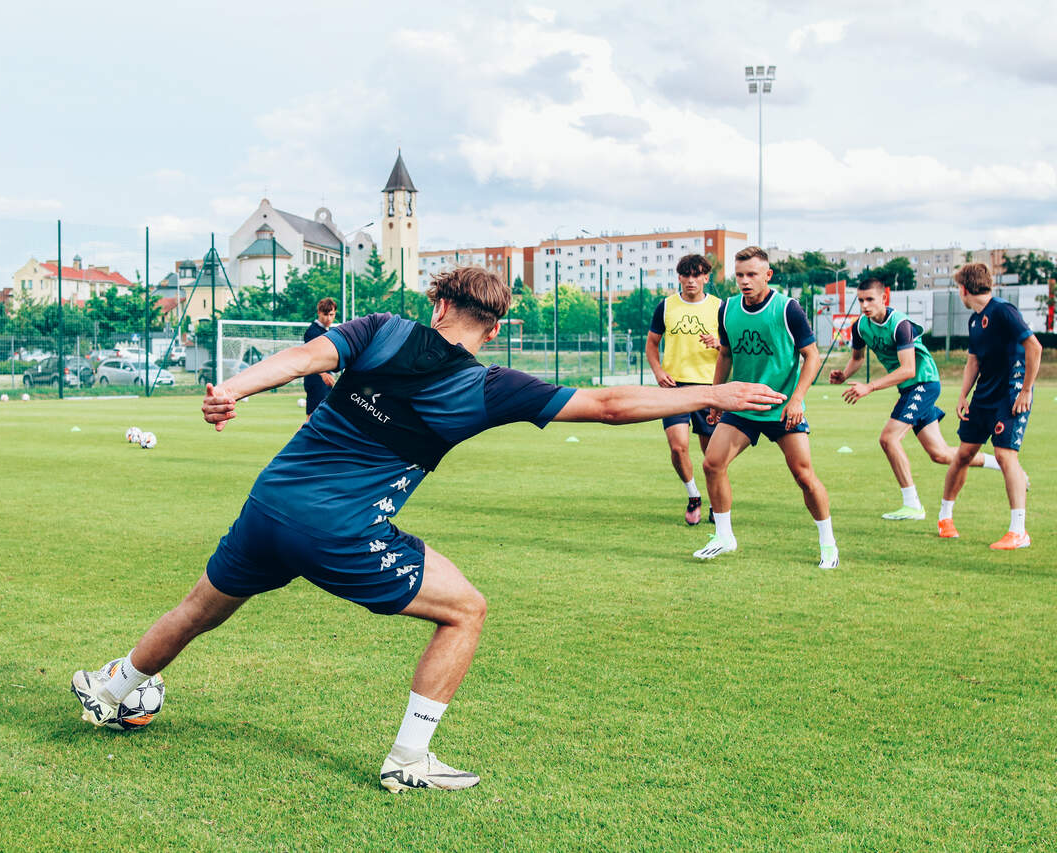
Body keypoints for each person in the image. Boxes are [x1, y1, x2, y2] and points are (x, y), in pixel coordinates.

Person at [69, 267, 783, 792]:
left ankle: (114, 688)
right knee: (466, 609)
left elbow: (303, 359)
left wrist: (231, 388)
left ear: (437, 304)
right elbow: (607, 405)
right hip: (342, 532)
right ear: (495, 328)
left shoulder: (380, 330)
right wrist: (715, 392)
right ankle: (410, 758)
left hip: (270, 506)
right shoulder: (491, 386)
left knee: (199, 607)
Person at [692, 246, 838, 569]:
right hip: (742, 405)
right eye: (739, 275)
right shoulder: (727, 309)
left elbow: (812, 356)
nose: (744, 281)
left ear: (768, 275)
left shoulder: (788, 309)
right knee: (712, 464)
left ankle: (828, 543)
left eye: (752, 275)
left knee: (803, 475)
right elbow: (725, 354)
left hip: (781, 407)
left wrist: (797, 399)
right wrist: (716, 396)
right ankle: (724, 537)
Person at [830, 277, 1002, 520]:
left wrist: (870, 386)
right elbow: (857, 358)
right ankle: (999, 463)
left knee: (888, 439)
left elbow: (908, 369)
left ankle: (912, 505)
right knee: (940, 454)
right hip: (909, 389)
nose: (865, 305)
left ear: (884, 298)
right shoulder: (860, 327)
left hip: (923, 383)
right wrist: (844, 375)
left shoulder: (900, 325)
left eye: (870, 299)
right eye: (860, 300)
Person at [938, 263, 1042, 549]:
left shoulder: (1003, 311)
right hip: (983, 397)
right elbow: (973, 360)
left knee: (1005, 455)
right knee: (964, 454)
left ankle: (1018, 532)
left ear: (963, 289)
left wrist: (1026, 390)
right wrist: (963, 395)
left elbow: (1034, 347)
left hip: (1010, 396)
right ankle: (945, 518)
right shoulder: (975, 321)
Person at [647, 254, 723, 525]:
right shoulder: (666, 306)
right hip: (674, 387)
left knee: (712, 455)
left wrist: (718, 343)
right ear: (679, 277)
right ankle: (693, 496)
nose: (691, 280)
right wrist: (658, 371)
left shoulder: (720, 307)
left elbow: (732, 348)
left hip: (708, 388)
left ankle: (717, 504)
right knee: (678, 448)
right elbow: (652, 344)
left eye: (697, 275)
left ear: (706, 277)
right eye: (686, 275)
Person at [302, 297, 337, 418]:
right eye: (325, 314)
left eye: (331, 315)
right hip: (315, 379)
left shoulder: (327, 331)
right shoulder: (313, 332)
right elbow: (310, 357)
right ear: (319, 313)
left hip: (324, 379)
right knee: (313, 417)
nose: (328, 318)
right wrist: (323, 374)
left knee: (325, 417)